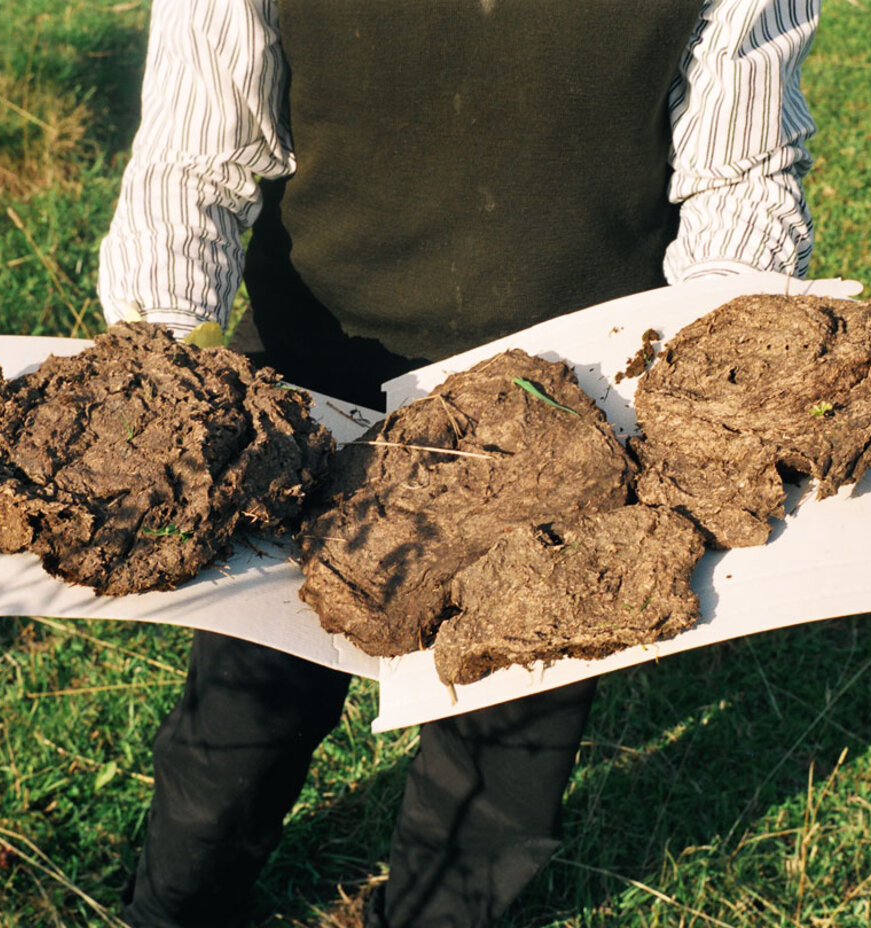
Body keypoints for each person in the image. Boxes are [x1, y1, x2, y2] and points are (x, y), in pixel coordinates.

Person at [98, 1, 819, 925]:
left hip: (572, 425)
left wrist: (726, 384)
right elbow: (192, 157)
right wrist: (162, 380)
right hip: (313, 401)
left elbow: (742, 176)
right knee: (237, 729)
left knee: (504, 772)